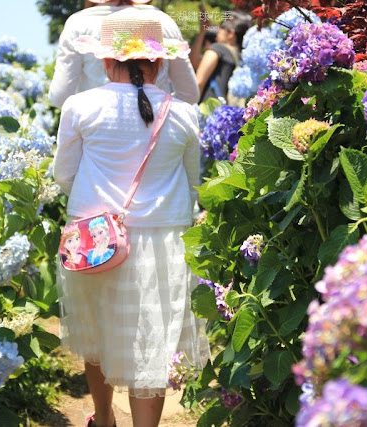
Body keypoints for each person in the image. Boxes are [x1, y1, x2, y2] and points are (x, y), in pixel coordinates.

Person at [53, 8, 209, 427]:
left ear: (105, 61)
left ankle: (103, 419)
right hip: (164, 241)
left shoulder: (80, 106)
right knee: (152, 345)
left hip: (96, 239)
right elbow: (193, 181)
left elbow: (63, 174)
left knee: (96, 333)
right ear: (159, 63)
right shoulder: (183, 114)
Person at [48, 0, 200, 108]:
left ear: (106, 62)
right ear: (158, 63)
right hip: (158, 136)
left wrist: (90, 114)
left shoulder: (78, 23)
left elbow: (60, 96)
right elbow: (189, 94)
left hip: (100, 139)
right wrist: (157, 108)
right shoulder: (164, 21)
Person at [195, 11, 250, 102]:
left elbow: (199, 82)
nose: (218, 29)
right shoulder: (242, 56)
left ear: (231, 34)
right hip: (229, 112)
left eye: (222, 26)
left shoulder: (218, 48)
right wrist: (203, 32)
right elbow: (197, 63)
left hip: (211, 109)